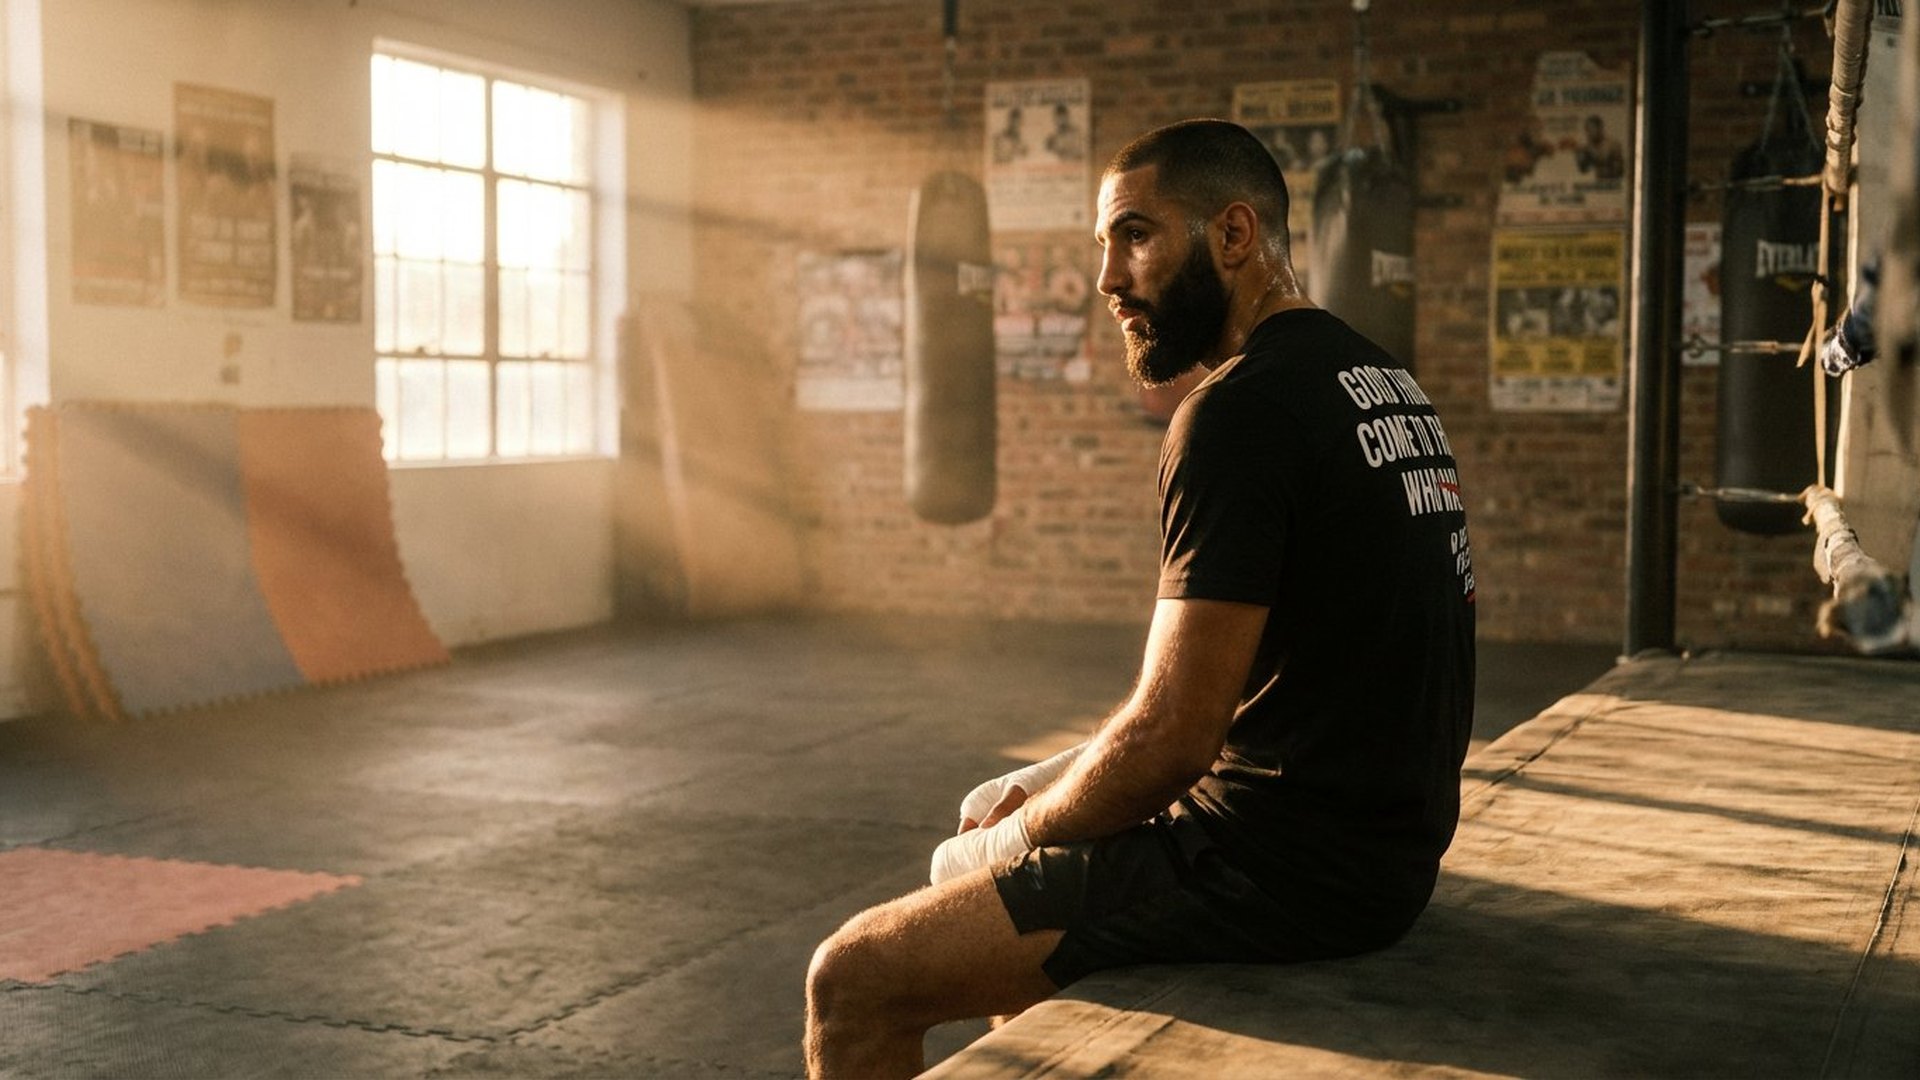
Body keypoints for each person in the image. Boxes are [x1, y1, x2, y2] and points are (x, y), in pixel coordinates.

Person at [804, 118, 1475, 1079]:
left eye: (1135, 236)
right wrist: (1037, 795)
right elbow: (1271, 681)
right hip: (1386, 844)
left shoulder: (1235, 414)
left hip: (1280, 866)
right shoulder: (1384, 381)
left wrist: (1022, 842)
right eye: (1102, 246)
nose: (1108, 279)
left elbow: (1171, 737)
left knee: (854, 976)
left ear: (1234, 235)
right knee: (989, 810)